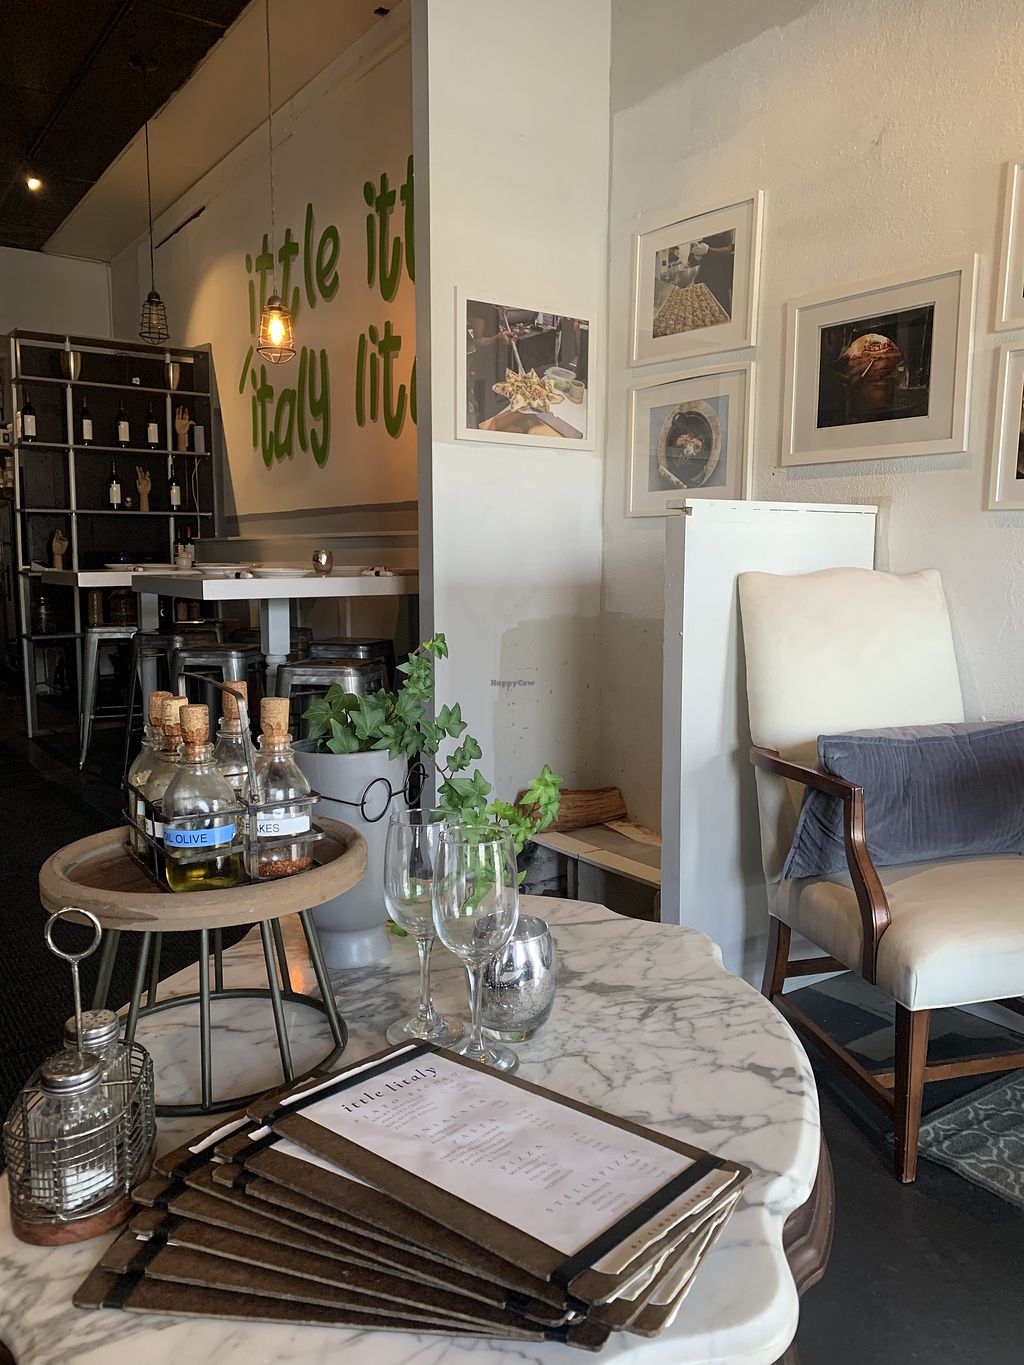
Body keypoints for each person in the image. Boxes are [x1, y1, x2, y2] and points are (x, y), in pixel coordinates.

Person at [467, 303, 514, 426]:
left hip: (497, 362)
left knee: (498, 403)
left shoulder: (497, 307)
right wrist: (498, 338)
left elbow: (499, 329)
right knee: (484, 408)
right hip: (483, 365)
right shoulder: (480, 307)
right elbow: (478, 341)